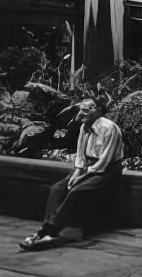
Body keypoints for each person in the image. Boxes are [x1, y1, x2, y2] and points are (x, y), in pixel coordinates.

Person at [18, 97, 124, 251]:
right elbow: (80, 156)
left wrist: (81, 177)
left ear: (99, 110)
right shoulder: (84, 127)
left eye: (90, 108)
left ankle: (51, 232)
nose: (85, 111)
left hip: (106, 171)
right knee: (57, 188)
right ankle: (46, 228)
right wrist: (76, 173)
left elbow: (103, 162)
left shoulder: (109, 128)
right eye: (82, 108)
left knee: (76, 190)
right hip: (87, 168)